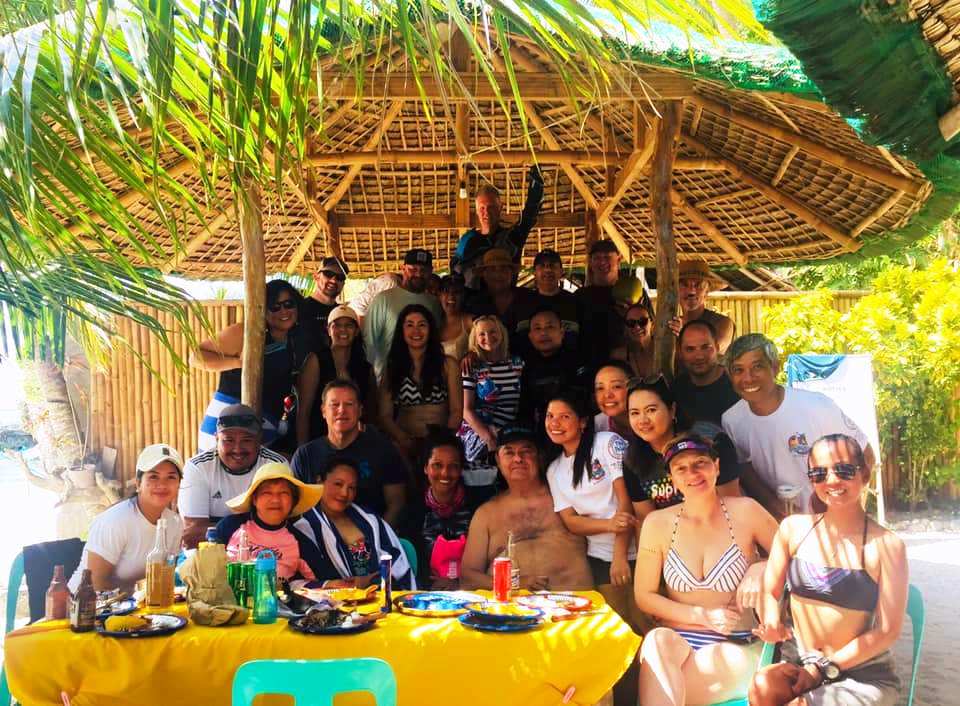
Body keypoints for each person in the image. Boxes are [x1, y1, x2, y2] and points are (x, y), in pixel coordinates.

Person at [749, 434, 907, 706]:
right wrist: (771, 619)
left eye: (843, 470)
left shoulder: (887, 546)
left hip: (861, 674)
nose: (831, 481)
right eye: (819, 473)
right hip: (800, 663)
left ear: (864, 474)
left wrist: (822, 669)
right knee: (762, 689)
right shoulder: (793, 529)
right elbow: (769, 592)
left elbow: (887, 631)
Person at [635, 434, 778, 706]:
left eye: (700, 462)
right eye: (681, 468)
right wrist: (702, 615)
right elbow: (644, 596)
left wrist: (761, 567)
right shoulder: (656, 523)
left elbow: (793, 556)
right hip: (678, 640)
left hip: (736, 642)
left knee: (667, 683)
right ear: (672, 479)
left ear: (717, 466)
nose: (692, 473)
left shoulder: (746, 511)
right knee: (655, 640)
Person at [721, 334, 874, 517]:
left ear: (775, 367)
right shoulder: (732, 420)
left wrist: (844, 508)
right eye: (738, 370)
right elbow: (745, 468)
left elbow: (865, 454)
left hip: (830, 520)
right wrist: (773, 504)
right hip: (777, 523)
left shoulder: (817, 406)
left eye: (757, 367)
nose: (748, 378)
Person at [461, 426, 593, 591]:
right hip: (510, 605)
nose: (518, 459)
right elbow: (468, 577)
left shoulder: (568, 496)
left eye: (526, 451)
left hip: (576, 602)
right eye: (509, 452)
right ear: (498, 460)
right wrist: (512, 583)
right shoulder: (486, 514)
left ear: (540, 457)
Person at [193, 279, 310, 453]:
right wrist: (238, 363)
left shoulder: (294, 341)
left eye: (288, 304)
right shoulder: (245, 332)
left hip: (264, 431)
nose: (283, 311)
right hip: (225, 428)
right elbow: (196, 356)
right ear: (264, 309)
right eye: (275, 306)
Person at [544, 393, 636, 597]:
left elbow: (626, 500)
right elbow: (571, 522)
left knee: (645, 614)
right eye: (550, 416)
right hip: (599, 556)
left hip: (637, 549)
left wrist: (619, 557)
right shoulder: (554, 470)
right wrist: (609, 525)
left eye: (564, 416)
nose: (554, 423)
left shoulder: (607, 443)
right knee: (614, 615)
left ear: (583, 422)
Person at [291, 379, 407, 526]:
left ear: (360, 411)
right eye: (334, 404)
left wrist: (377, 535)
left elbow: (396, 503)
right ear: (323, 411)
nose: (341, 410)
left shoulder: (383, 450)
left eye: (349, 404)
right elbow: (294, 508)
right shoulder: (305, 455)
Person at [69, 444, 184, 592]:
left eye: (171, 477)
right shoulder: (115, 521)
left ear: (178, 484)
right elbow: (95, 583)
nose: (162, 484)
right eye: (153, 476)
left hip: (139, 602)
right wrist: (141, 591)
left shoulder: (174, 523)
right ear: (138, 483)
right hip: (85, 602)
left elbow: (165, 576)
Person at [626, 378, 740, 524]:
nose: (642, 420)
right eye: (634, 413)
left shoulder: (710, 441)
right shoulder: (632, 460)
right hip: (670, 535)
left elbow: (732, 508)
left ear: (672, 410)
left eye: (651, 410)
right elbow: (647, 522)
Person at [294, 457, 416, 589]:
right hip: (335, 599)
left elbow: (397, 562)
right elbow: (304, 581)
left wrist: (370, 581)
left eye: (351, 487)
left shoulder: (370, 520)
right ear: (319, 481)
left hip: (381, 593)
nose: (344, 493)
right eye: (338, 484)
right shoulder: (305, 529)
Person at [179, 404, 287, 549]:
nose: (237, 449)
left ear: (259, 440)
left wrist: (217, 530)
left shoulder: (275, 465)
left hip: (264, 557)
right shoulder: (198, 467)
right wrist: (257, 529)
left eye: (246, 440)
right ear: (216, 438)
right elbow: (193, 535)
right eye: (228, 440)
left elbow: (281, 527)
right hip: (210, 558)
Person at [215, 462, 332, 582]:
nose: (275, 500)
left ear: (293, 500)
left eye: (283, 493)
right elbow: (208, 567)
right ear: (254, 499)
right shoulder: (229, 526)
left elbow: (324, 583)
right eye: (267, 493)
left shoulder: (300, 542)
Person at [378, 305, 463, 461]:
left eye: (422, 325)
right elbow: (385, 415)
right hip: (403, 442)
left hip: (441, 442)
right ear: (401, 331)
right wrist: (404, 440)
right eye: (409, 325)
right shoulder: (392, 367)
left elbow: (457, 411)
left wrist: (443, 441)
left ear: (431, 330)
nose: (416, 331)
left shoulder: (448, 365)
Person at [458, 315, 524, 500]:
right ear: (475, 338)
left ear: (501, 333)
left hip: (509, 433)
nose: (488, 337)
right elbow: (467, 411)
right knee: (485, 493)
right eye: (482, 334)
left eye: (492, 331)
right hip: (481, 434)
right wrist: (489, 438)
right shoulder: (472, 366)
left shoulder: (517, 363)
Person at [404, 428, 477, 589]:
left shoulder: (477, 508)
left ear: (461, 469)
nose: (445, 473)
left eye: (453, 466)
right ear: (425, 467)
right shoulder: (412, 511)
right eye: (437, 465)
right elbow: (409, 564)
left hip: (470, 591)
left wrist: (458, 584)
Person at [295, 305, 376, 445]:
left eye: (349, 325)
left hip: (356, 443)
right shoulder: (316, 361)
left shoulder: (366, 368)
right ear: (328, 330)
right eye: (337, 325)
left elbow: (371, 413)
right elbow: (303, 411)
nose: (343, 330)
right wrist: (303, 449)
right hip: (320, 440)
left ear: (356, 331)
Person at [453, 167, 544, 288]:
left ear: (500, 207)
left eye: (491, 207)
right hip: (475, 298)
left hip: (507, 297)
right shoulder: (467, 240)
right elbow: (455, 274)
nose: (486, 212)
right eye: (482, 208)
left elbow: (529, 214)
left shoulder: (511, 238)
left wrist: (536, 184)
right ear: (476, 211)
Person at [363, 249, 443, 377]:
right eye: (413, 269)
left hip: (423, 378)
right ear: (403, 268)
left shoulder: (434, 303)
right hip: (388, 379)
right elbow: (368, 342)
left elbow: (434, 340)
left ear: (431, 272)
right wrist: (370, 378)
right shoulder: (383, 299)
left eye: (423, 270)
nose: (418, 274)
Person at [518, 305, 588, 443]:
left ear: (562, 332)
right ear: (530, 336)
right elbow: (525, 410)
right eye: (537, 328)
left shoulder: (578, 361)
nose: (544, 333)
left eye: (550, 327)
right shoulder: (525, 367)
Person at [464, 248, 537, 348]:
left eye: (503, 269)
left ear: (511, 273)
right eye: (492, 269)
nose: (498, 274)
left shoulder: (528, 297)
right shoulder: (474, 303)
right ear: (484, 274)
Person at [672, 320, 740, 427]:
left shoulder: (738, 386)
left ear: (717, 347)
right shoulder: (676, 389)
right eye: (690, 349)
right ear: (680, 352)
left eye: (705, 347)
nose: (699, 356)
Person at [513, 249, 580, 349]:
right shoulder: (522, 302)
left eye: (552, 265)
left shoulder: (574, 302)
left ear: (561, 271)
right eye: (542, 265)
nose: (548, 269)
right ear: (535, 272)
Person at [668, 261, 735, 354]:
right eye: (684, 284)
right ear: (676, 291)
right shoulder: (672, 325)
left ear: (706, 292)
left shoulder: (721, 323)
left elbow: (709, 354)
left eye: (698, 285)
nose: (691, 291)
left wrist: (683, 334)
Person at [576, 239, 623, 370]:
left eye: (607, 257)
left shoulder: (635, 293)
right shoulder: (580, 296)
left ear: (618, 260)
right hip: (589, 365)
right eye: (597, 258)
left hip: (625, 364)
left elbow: (650, 328)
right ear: (590, 263)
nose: (602, 262)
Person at [299, 256, 349, 349]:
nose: (333, 280)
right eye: (328, 274)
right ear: (316, 276)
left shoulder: (343, 313)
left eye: (340, 277)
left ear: (343, 284)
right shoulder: (299, 309)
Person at [611, 300, 655, 379]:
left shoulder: (664, 351)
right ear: (626, 327)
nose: (637, 327)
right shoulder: (618, 355)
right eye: (631, 323)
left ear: (652, 324)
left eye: (643, 321)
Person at [437, 275, 472, 363]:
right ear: (439, 296)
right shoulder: (433, 322)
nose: (451, 296)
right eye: (446, 291)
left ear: (463, 296)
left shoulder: (470, 322)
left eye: (456, 292)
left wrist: (473, 354)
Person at [594, 360, 633, 436]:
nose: (607, 395)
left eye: (616, 386)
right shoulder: (595, 427)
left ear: (632, 387)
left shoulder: (652, 419)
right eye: (600, 388)